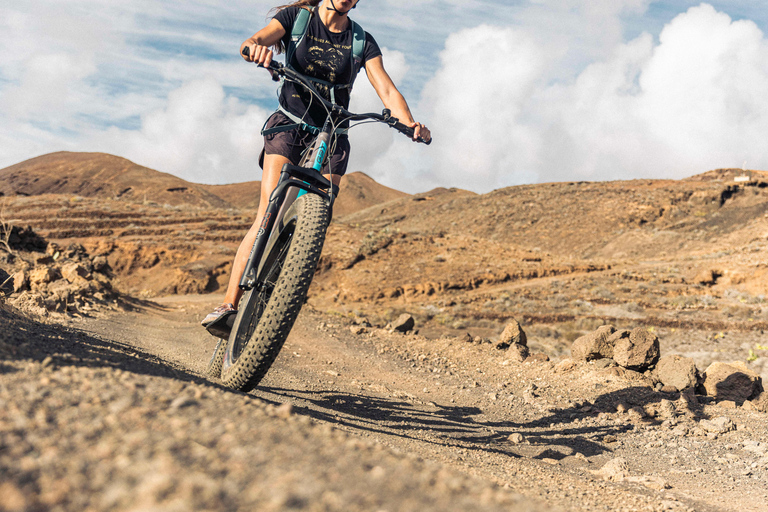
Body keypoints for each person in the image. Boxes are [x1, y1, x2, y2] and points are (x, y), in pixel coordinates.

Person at [202, 0, 431, 332]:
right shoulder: (297, 19)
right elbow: (256, 40)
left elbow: (385, 88)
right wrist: (254, 49)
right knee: (268, 210)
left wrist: (410, 124)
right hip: (289, 125)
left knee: (317, 218)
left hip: (334, 134)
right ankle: (230, 303)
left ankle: (283, 284)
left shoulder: (361, 41)